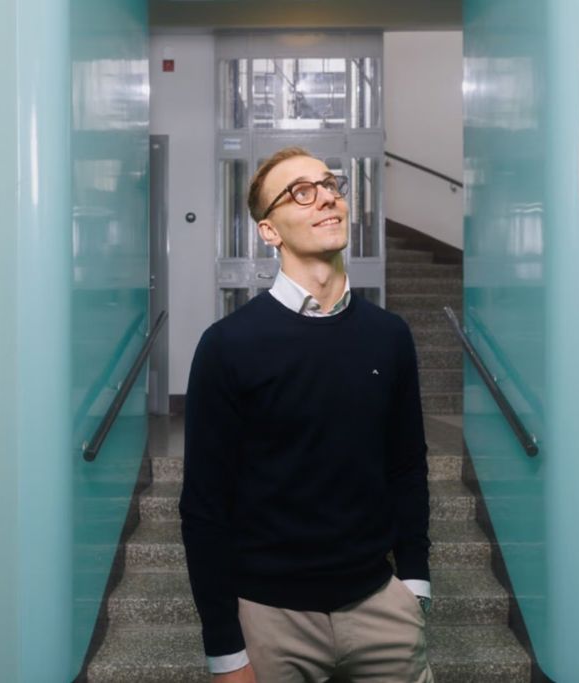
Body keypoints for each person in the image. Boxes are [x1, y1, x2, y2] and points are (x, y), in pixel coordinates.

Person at [180, 146, 434, 682]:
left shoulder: (389, 336)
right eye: (301, 192)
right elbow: (204, 507)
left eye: (330, 185)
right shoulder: (228, 345)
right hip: (270, 619)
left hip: (381, 608)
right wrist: (225, 650)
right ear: (269, 231)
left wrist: (414, 583)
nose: (325, 198)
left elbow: (407, 466)